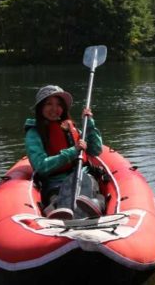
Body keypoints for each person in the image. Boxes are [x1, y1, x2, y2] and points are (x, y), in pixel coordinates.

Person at [25, 85, 104, 220]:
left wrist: (89, 124)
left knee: (92, 192)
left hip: (82, 175)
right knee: (57, 196)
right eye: (49, 104)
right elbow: (41, 166)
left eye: (59, 104)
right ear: (40, 108)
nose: (54, 109)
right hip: (56, 181)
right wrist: (72, 151)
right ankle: (56, 210)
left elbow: (96, 150)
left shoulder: (69, 127)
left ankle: (93, 207)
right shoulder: (34, 133)